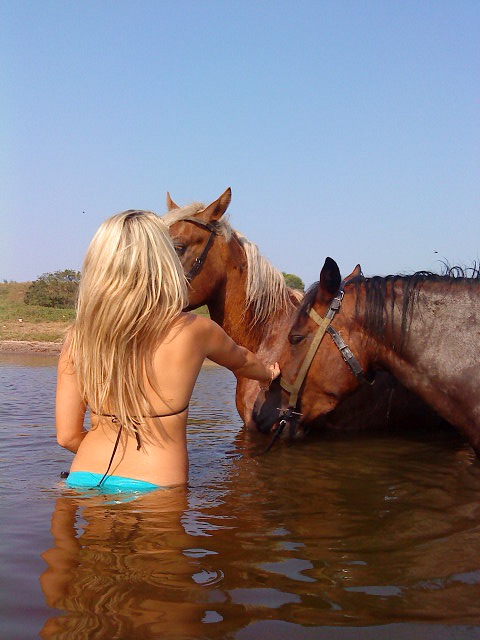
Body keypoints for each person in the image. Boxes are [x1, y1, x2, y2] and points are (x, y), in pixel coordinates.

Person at [56, 210, 280, 492]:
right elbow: (243, 361)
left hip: (83, 479)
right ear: (164, 262)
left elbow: (67, 437)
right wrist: (268, 374)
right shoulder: (196, 330)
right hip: (156, 486)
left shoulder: (78, 336)